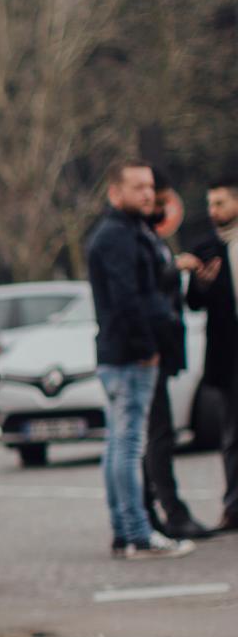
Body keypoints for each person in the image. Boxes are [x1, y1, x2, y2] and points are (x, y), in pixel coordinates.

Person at [86, 160, 194, 559]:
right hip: (131, 357)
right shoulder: (118, 236)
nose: (148, 193)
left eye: (150, 186)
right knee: (128, 445)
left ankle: (126, 530)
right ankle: (136, 533)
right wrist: (147, 347)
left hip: (125, 353)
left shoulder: (127, 231)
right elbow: (128, 299)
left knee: (120, 442)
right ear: (116, 192)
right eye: (138, 187)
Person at [142, 173, 210, 540]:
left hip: (158, 352)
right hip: (147, 355)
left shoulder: (151, 239)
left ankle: (155, 510)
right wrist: (175, 269)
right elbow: (146, 287)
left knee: (157, 436)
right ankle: (165, 511)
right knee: (156, 436)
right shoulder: (138, 240)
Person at [185, 175, 238, 533]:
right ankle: (234, 506)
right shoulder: (205, 249)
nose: (213, 210)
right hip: (228, 352)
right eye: (210, 204)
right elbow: (193, 302)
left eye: (220, 203)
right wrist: (201, 281)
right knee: (232, 433)